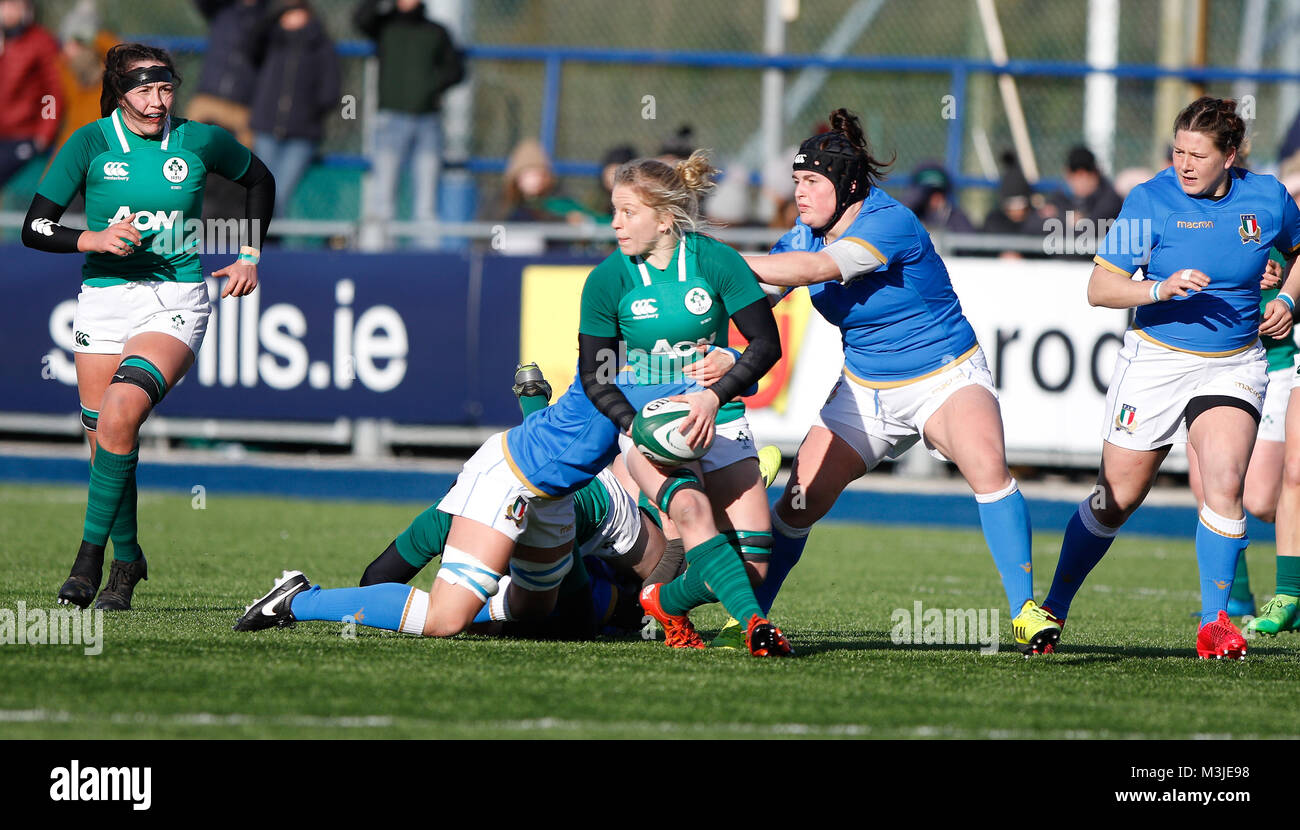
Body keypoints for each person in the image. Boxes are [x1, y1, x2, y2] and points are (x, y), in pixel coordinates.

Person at [741, 108, 1059, 655]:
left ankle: (1025, 611)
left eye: (812, 182)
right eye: (796, 182)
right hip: (865, 389)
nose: (800, 193)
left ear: (848, 188)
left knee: (988, 467)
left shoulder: (889, 221)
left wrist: (709, 258)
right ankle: (749, 618)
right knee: (797, 505)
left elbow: (817, 271)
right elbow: (761, 295)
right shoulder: (800, 234)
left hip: (945, 375)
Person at [1032, 97, 1300, 659]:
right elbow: (1100, 288)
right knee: (1117, 497)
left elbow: (1296, 253)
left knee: (1225, 483)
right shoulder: (1151, 200)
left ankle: (1214, 623)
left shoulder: (1268, 198)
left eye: (1198, 154)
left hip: (1234, 362)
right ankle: (1053, 606)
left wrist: (1290, 300)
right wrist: (1159, 287)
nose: (1184, 163)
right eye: (1177, 150)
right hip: (1155, 361)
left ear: (1231, 155)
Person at [20, 43, 275, 610]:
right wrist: (92, 239)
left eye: (165, 89)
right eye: (143, 90)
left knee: (118, 414)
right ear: (118, 91)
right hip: (103, 302)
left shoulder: (198, 139)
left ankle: (87, 563)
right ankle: (129, 561)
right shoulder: (89, 143)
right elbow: (34, 226)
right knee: (107, 442)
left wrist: (249, 255)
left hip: (175, 297)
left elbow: (261, 180)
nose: (157, 101)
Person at [576, 150, 793, 656]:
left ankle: (664, 601)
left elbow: (766, 345)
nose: (615, 224)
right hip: (652, 425)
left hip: (719, 414)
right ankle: (758, 627)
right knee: (691, 511)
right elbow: (595, 374)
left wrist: (716, 392)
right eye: (614, 210)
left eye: (628, 212)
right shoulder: (608, 279)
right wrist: (635, 426)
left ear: (665, 218)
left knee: (756, 563)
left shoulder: (716, 260)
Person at [1186, 254, 1294, 619]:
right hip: (1200, 362)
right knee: (1205, 485)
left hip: (1272, 366)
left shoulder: (1274, 214)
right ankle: (1237, 597)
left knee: (1262, 501)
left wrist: (1284, 284)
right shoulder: (1185, 215)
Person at [354, 0, 464, 251]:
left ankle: (424, 261)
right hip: (389, 121)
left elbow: (456, 69)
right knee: (383, 198)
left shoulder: (436, 31)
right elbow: (360, 18)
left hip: (428, 122)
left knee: (426, 201)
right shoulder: (385, 26)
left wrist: (429, 88)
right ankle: (380, 257)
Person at [248, 0, 339, 219]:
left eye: (296, 11)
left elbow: (332, 92)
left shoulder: (322, 46)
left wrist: (308, 112)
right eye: (286, 12)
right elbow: (250, 43)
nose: (291, 17)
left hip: (302, 135)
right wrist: (272, 15)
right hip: (267, 130)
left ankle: (271, 248)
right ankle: (260, 246)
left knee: (279, 195)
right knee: (263, 192)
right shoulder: (272, 40)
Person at [0, 0, 61, 191]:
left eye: (16, 5)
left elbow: (53, 93)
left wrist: (44, 133)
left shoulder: (41, 42)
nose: (10, 11)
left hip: (23, 136)